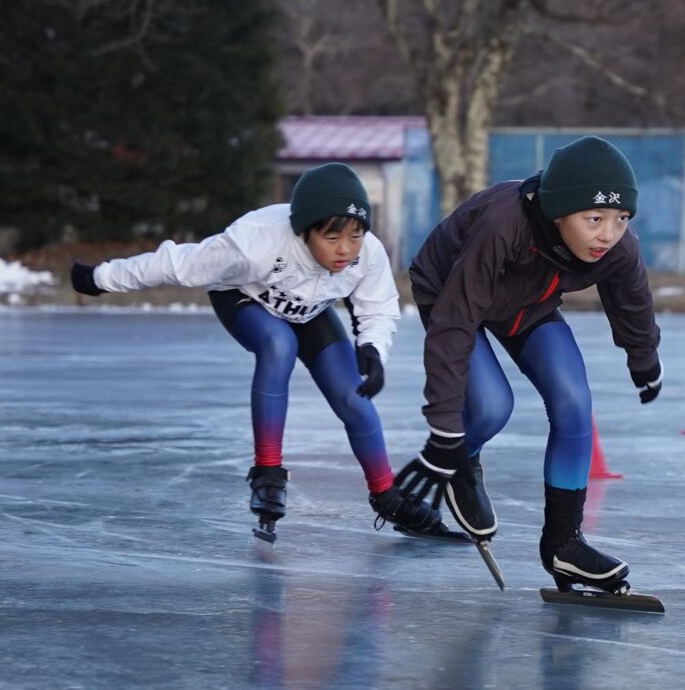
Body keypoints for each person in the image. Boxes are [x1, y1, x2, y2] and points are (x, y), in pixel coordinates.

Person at [71, 162, 457, 543]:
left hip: (310, 312)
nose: (345, 250)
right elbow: (176, 264)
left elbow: (378, 306)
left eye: (355, 236)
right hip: (244, 299)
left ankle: (387, 495)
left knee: (353, 396)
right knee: (278, 344)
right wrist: (100, 277)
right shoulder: (255, 241)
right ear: (304, 230)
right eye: (332, 237)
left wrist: (373, 348)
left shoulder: (366, 253)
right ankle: (268, 473)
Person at [393, 136, 664, 596]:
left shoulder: (617, 245)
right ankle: (461, 459)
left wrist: (644, 358)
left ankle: (564, 542)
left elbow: (631, 298)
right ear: (559, 212)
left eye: (621, 219)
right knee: (493, 406)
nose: (608, 234)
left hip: (528, 304)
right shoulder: (503, 225)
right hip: (452, 294)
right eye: (594, 219)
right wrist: (444, 432)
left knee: (575, 402)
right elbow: (454, 324)